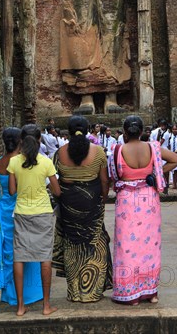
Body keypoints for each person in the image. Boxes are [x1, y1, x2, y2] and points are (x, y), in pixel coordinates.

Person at [108, 115, 177, 305]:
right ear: (142, 132)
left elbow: (112, 176)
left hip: (127, 201)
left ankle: (130, 294)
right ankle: (151, 292)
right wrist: (156, 172)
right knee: (150, 246)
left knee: (127, 246)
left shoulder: (117, 150)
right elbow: (176, 159)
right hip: (148, 199)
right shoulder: (153, 148)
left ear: (124, 132)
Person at [52, 115, 113, 302]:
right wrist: (102, 199)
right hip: (92, 200)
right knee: (94, 243)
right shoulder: (98, 152)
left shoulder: (60, 152)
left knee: (72, 244)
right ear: (88, 130)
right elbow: (104, 180)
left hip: (68, 202)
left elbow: (56, 179)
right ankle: (93, 292)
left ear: (68, 131)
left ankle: (75, 292)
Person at [0, 128, 43, 307]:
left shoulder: (0, 163)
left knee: (9, 255)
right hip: (23, 211)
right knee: (28, 250)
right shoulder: (21, 162)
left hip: (5, 214)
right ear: (20, 141)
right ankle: (30, 293)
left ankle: (10, 294)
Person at [7, 124, 61, 316]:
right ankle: (46, 306)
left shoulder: (14, 162)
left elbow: (12, 191)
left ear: (22, 140)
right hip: (43, 214)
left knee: (19, 257)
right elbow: (56, 190)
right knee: (45, 257)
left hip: (22, 213)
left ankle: (20, 306)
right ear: (40, 140)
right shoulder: (46, 162)